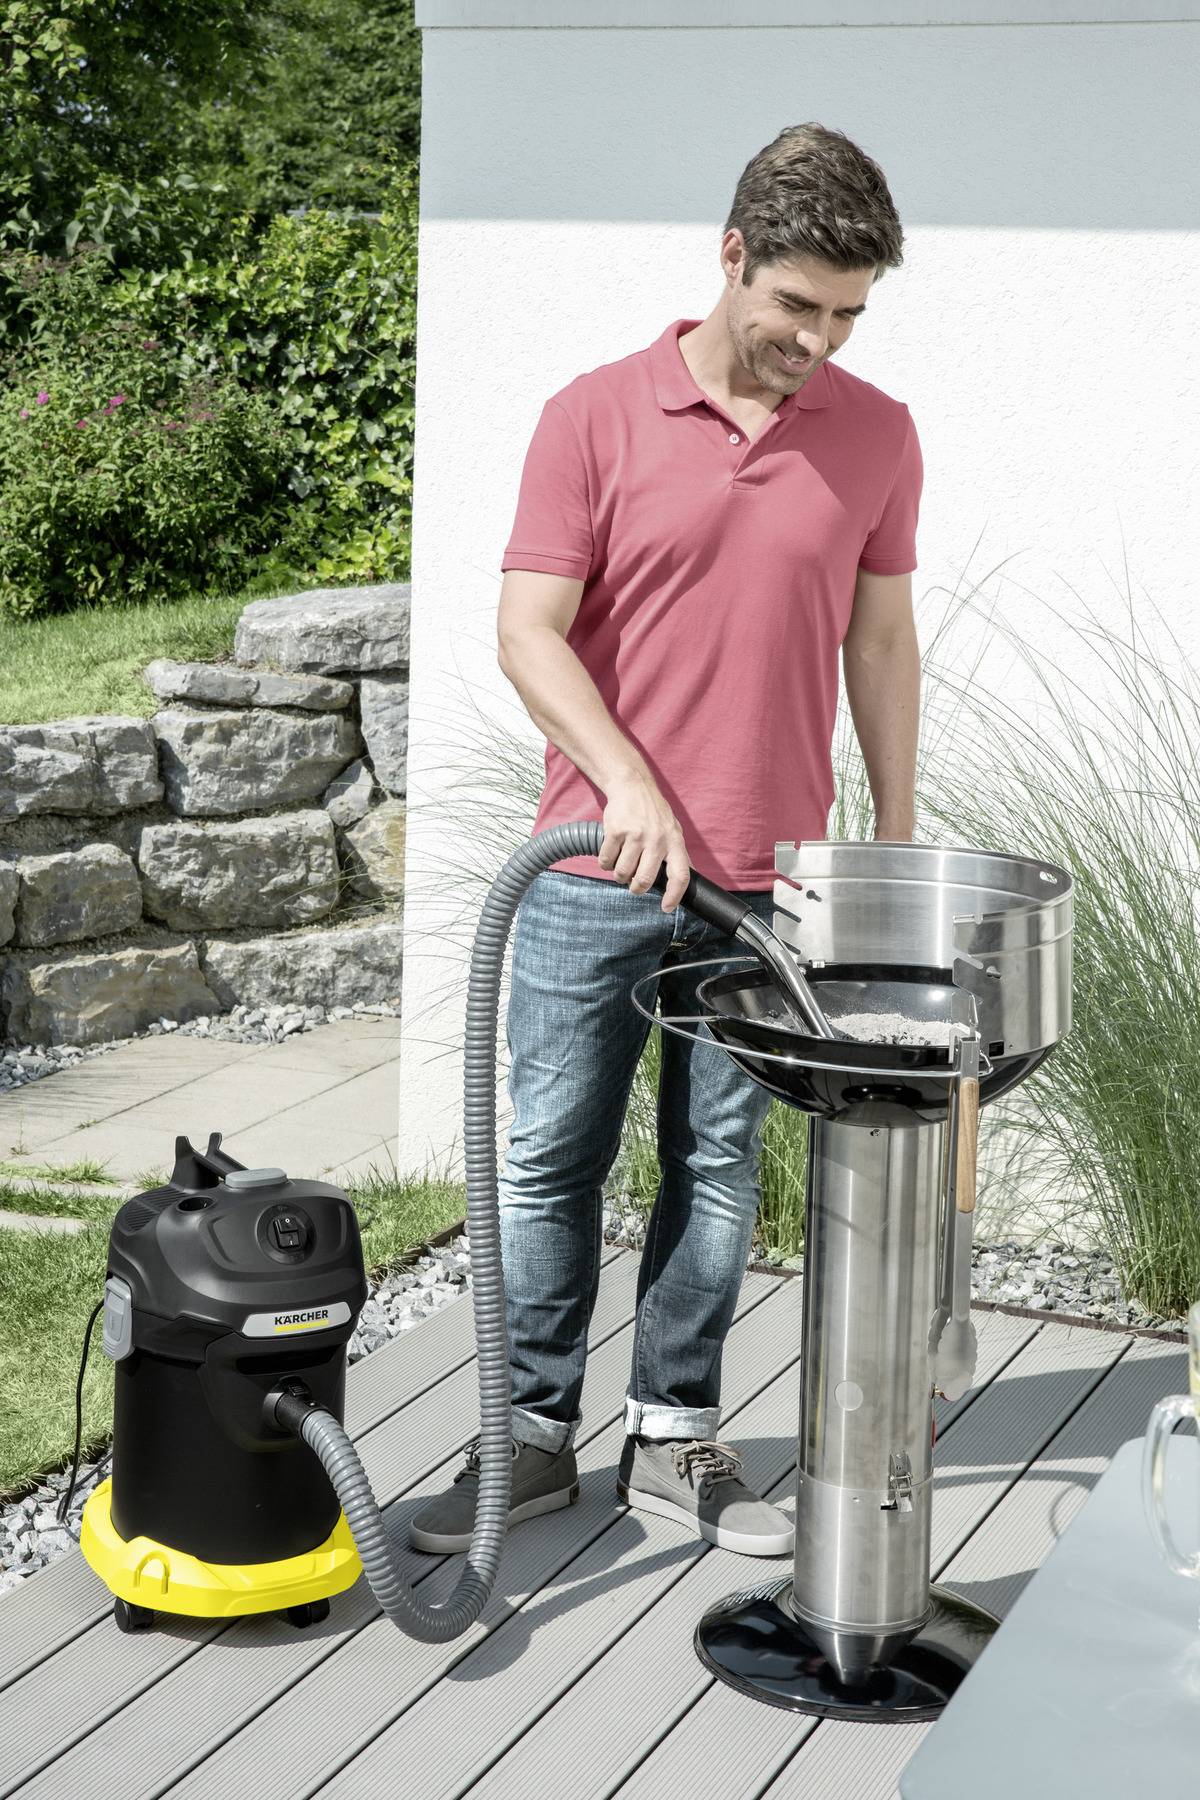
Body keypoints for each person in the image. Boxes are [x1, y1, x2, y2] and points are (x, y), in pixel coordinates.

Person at [409, 121, 923, 1561]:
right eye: (794, 307)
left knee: (716, 1167)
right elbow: (527, 632)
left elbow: (882, 641)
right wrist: (624, 779)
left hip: (773, 879)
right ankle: (527, 1436)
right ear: (730, 256)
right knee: (545, 1157)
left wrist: (884, 832)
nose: (815, 341)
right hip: (589, 868)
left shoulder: (879, 433)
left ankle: (677, 1438)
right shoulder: (594, 415)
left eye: (845, 316)